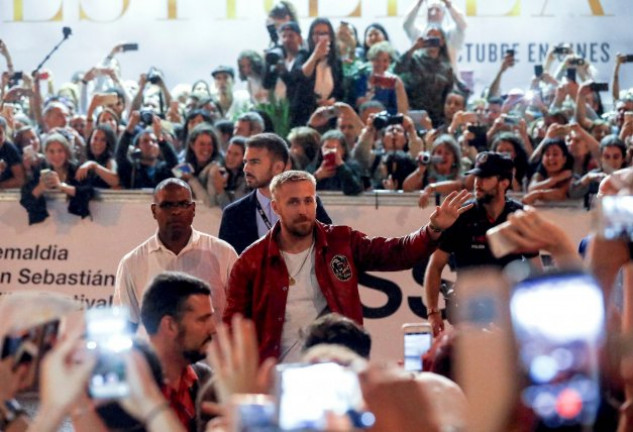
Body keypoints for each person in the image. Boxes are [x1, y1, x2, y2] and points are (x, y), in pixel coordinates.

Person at [223, 169, 473, 361]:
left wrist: (433, 228)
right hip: (277, 376)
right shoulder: (251, 261)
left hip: (339, 370)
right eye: (293, 202)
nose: (303, 209)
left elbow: (397, 252)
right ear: (275, 207)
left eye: (308, 201)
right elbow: (232, 329)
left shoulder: (341, 241)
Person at [424, 152, 540, 336]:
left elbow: (536, 269)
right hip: (467, 314)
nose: (477, 182)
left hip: (507, 315)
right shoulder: (461, 216)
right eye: (477, 176)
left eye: (485, 177)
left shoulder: (520, 216)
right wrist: (432, 312)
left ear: (504, 182)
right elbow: (435, 265)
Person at [114, 178, 238, 329]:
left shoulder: (223, 253)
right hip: (156, 353)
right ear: (154, 211)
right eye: (167, 205)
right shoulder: (132, 263)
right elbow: (126, 326)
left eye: (183, 204)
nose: (176, 211)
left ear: (193, 209)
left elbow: (241, 313)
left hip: (212, 351)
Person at [219, 133, 332, 255]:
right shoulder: (234, 214)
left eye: (254, 162)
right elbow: (227, 266)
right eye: (246, 162)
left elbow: (330, 250)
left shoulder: (308, 202)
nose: (246, 168)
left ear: (278, 167)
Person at [140, 271, 216, 432]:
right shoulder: (126, 388)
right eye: (203, 319)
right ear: (170, 325)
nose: (213, 329)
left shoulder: (207, 382)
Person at [115, 110, 179, 189]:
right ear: (137, 147)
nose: (150, 144)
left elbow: (174, 164)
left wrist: (159, 137)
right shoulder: (132, 170)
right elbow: (120, 156)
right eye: (145, 141)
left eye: (154, 141)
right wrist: (130, 127)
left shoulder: (163, 169)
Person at [402, 0, 467, 73]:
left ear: (443, 14)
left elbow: (462, 25)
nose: (433, 13)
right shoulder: (419, 34)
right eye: (430, 10)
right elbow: (407, 24)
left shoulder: (450, 35)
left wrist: (448, 4)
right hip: (421, 78)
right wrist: (419, 3)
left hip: (447, 78)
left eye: (438, 10)